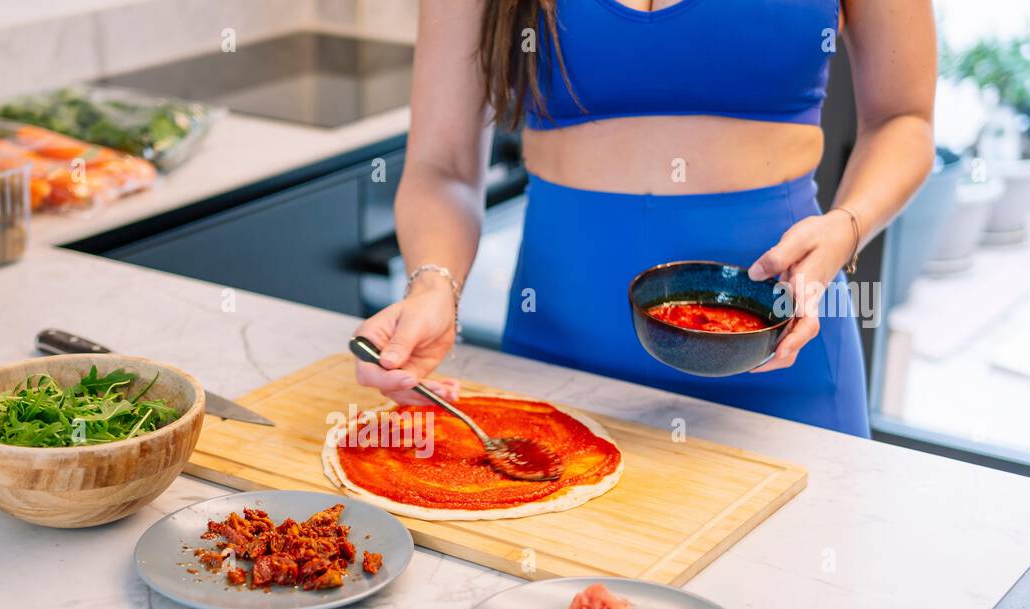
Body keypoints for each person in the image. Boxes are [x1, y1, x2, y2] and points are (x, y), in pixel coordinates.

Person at [354, 0, 936, 436]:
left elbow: (904, 119)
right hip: (555, 362)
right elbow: (443, 166)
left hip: (779, 361)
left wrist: (846, 227)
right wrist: (434, 284)